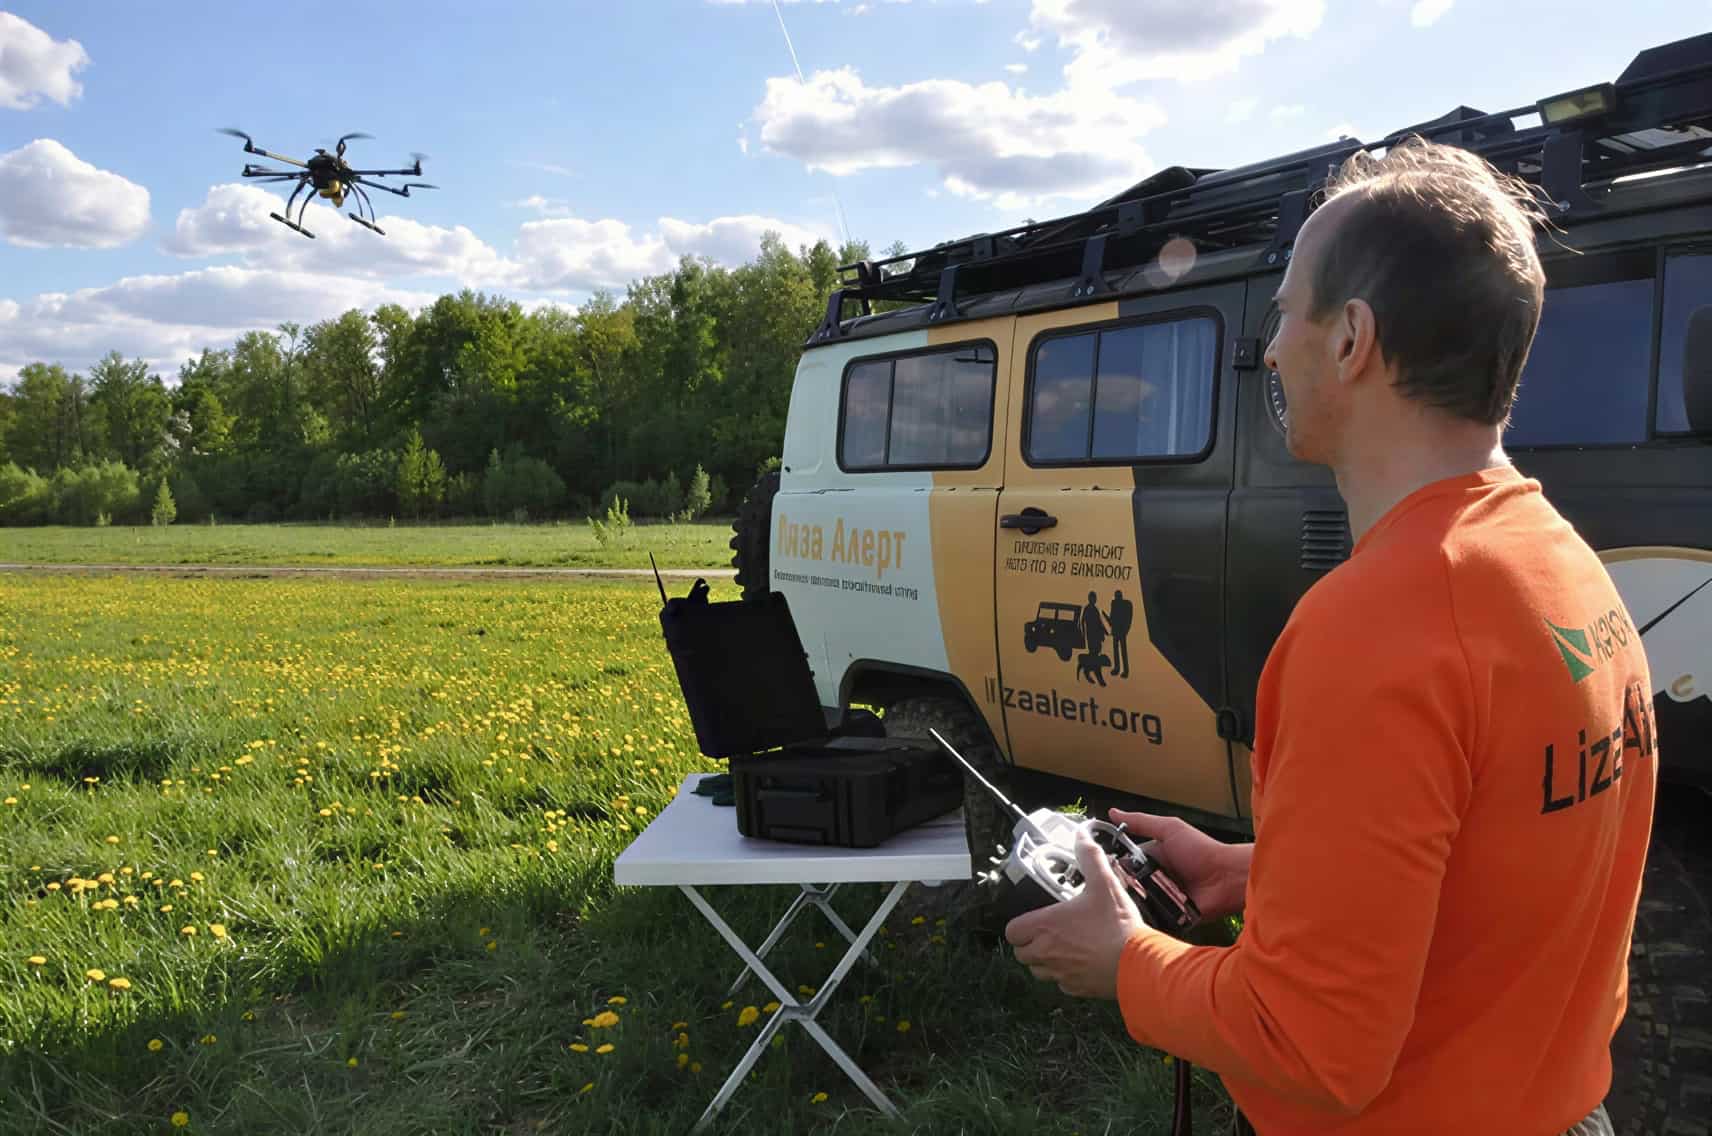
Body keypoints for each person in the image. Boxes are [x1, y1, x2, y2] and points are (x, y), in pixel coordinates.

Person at [1003, 138, 1657, 1136]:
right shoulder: (1559, 562)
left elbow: (1313, 1044)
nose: (1268, 349)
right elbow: (1493, 857)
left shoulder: (1378, 623)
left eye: (1281, 312)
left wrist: (1123, 960)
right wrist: (1254, 870)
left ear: (1349, 339)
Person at [1107, 589, 1133, 679]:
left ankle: (1125, 670)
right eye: (1116, 596)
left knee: (1122, 651)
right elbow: (1112, 617)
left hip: (1121, 631)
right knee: (1117, 651)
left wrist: (1126, 630)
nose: (1117, 598)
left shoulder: (1125, 605)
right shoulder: (1114, 604)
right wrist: (1108, 619)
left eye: (1118, 596)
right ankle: (1117, 668)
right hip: (1116, 630)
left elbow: (1127, 619)